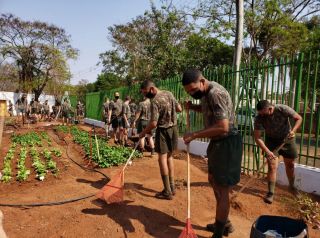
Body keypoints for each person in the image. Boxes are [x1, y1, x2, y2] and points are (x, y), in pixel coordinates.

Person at [181, 69, 242, 238]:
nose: (192, 93)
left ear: (202, 80)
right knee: (213, 181)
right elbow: (211, 110)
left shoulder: (216, 93)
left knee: (222, 189)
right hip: (217, 142)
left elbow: (223, 126)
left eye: (193, 89)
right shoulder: (206, 94)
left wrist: (194, 135)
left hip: (227, 143)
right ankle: (225, 223)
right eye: (188, 92)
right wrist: (193, 107)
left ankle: (219, 232)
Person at [139, 80, 182, 200]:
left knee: (162, 159)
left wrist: (143, 133)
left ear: (152, 89)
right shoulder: (169, 93)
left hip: (163, 131)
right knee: (169, 157)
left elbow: (153, 123)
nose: (145, 95)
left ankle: (167, 191)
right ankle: (172, 187)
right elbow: (179, 108)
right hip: (174, 129)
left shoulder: (155, 101)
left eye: (145, 92)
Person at [254, 100, 302, 204]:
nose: (261, 115)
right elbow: (257, 138)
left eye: (263, 113)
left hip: (287, 139)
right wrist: (267, 151)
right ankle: (270, 193)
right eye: (260, 113)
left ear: (270, 109)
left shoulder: (282, 109)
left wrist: (293, 131)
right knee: (272, 166)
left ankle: (292, 187)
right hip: (271, 141)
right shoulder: (259, 118)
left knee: (290, 165)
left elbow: (299, 118)